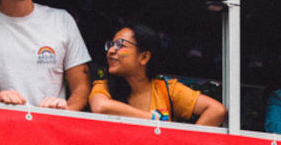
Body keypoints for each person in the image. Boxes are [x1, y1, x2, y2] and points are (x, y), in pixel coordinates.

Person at [89, 24, 225, 126]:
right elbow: (100, 107)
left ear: (144, 57)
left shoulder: (168, 90)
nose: (111, 51)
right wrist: (154, 119)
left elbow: (216, 110)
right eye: (111, 45)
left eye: (120, 45)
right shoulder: (104, 87)